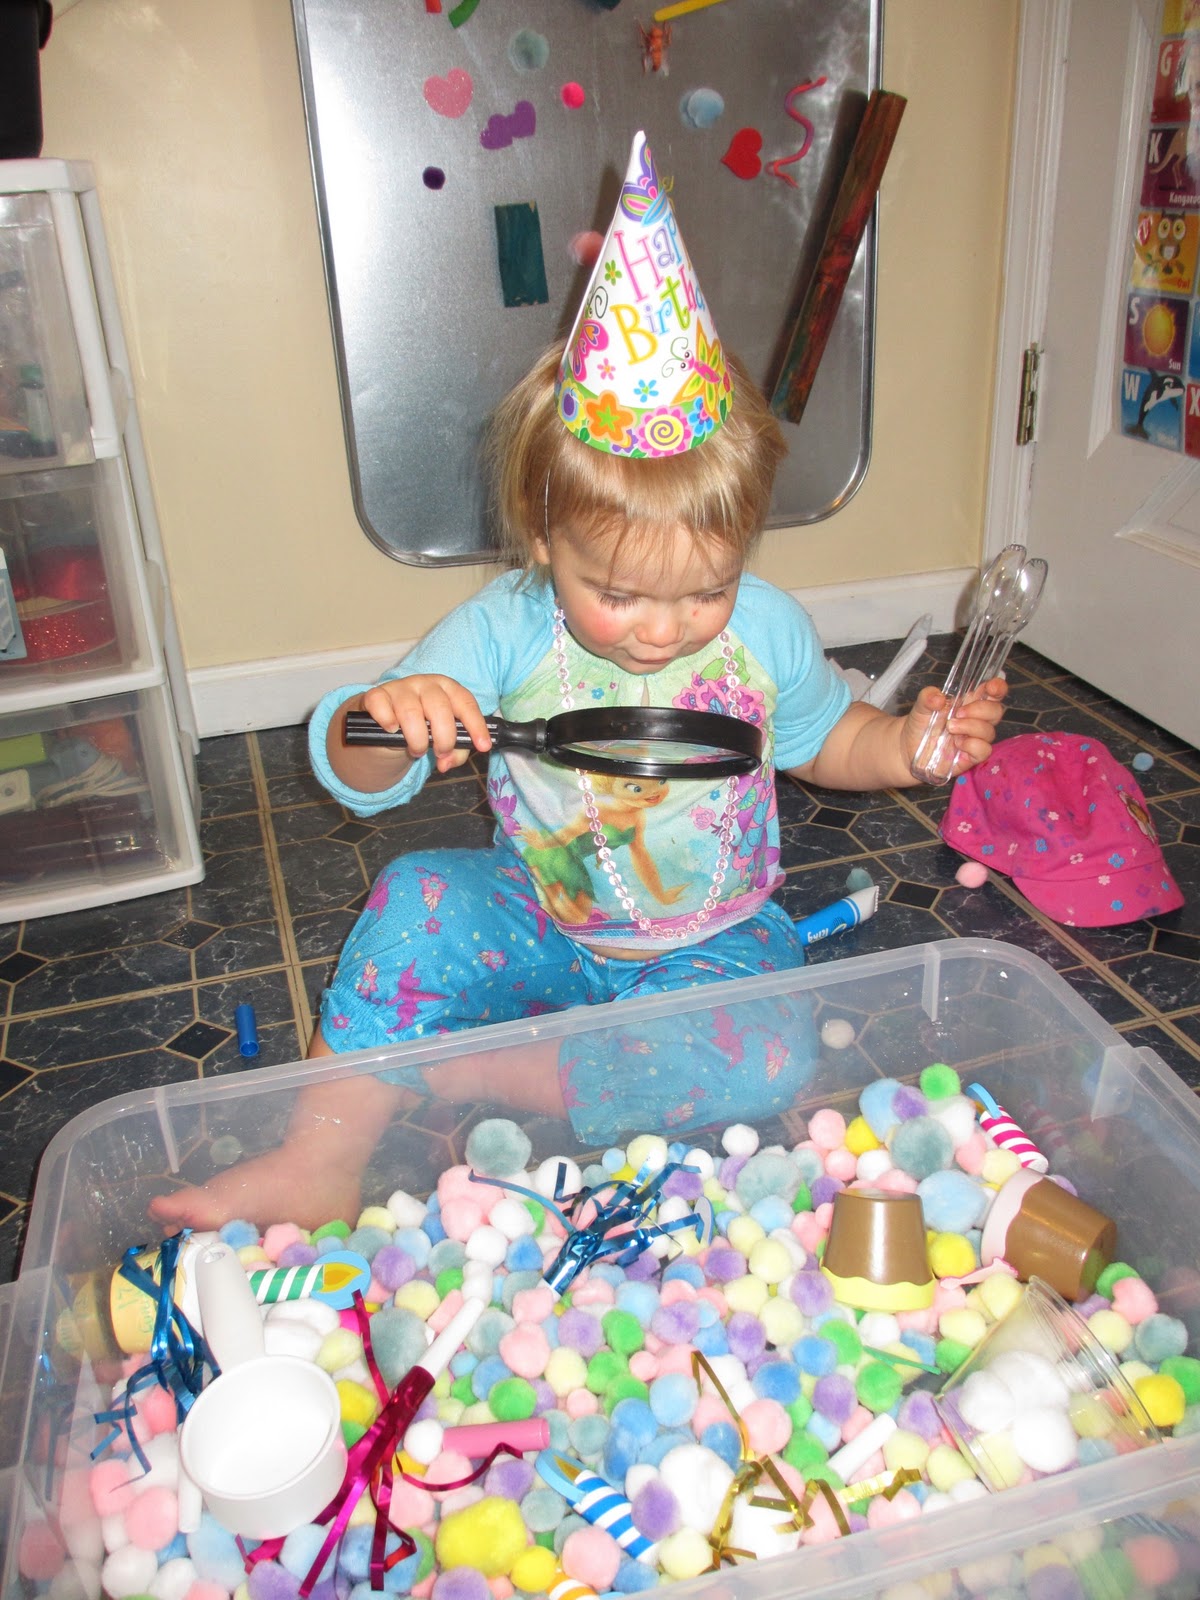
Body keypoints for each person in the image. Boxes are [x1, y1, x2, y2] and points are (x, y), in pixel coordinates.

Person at [151, 133, 1006, 1231]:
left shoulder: (765, 632)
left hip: (713, 938)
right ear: (545, 536)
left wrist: (906, 743)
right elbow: (346, 760)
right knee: (418, 896)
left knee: (764, 1048)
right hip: (541, 922)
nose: (662, 630)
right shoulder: (506, 628)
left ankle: (492, 1073)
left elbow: (829, 737)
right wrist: (389, 719)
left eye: (704, 591)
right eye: (619, 594)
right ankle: (318, 1151)